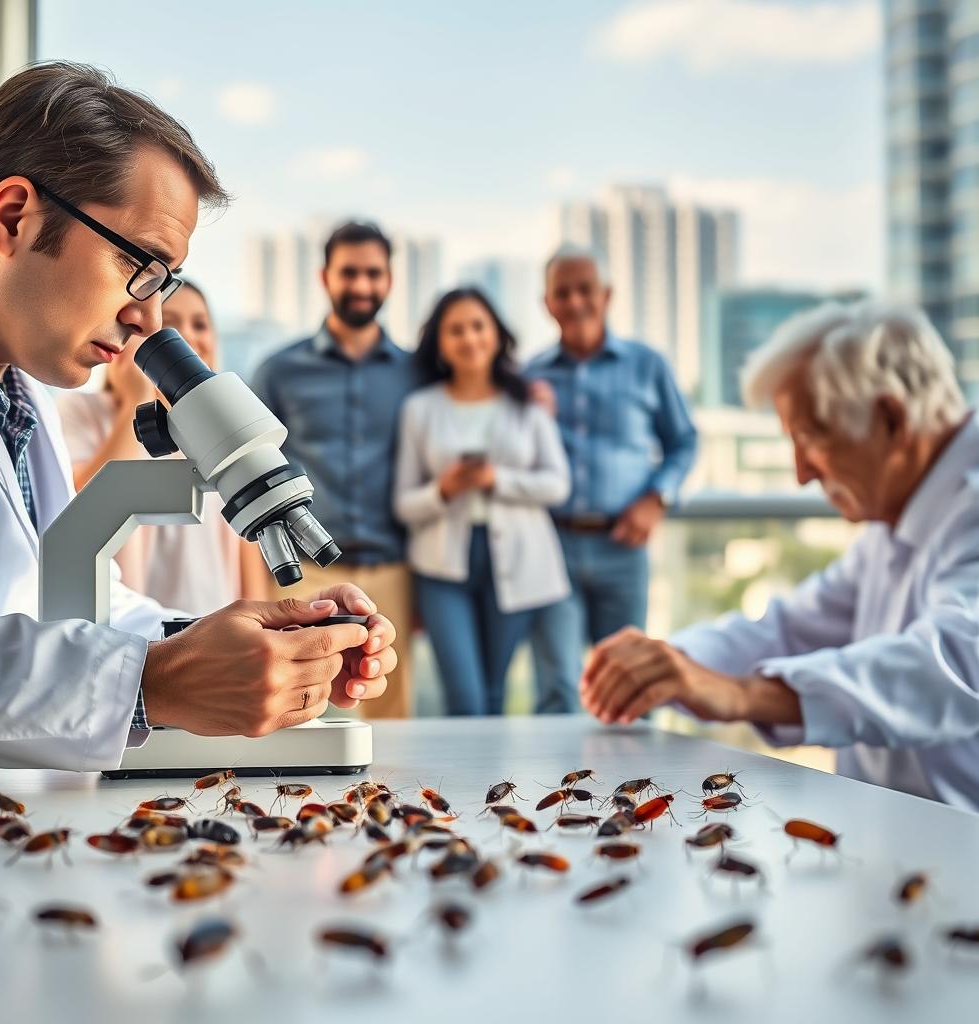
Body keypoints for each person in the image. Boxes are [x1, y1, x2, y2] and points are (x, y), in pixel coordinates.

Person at [0, 62, 396, 771]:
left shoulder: (16, 396)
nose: (150, 318)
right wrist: (153, 683)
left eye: (164, 283)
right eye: (140, 265)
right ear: (14, 216)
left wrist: (223, 646)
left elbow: (60, 597)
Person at [580, 300, 979, 814]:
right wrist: (668, 664)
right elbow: (788, 629)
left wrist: (742, 693)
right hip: (895, 837)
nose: (801, 473)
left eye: (810, 437)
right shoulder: (897, 515)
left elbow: (957, 667)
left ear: (891, 419)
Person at [251, 222, 420, 719]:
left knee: (390, 724)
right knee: (299, 716)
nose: (362, 286)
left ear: (389, 280)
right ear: (325, 277)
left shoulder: (416, 373)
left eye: (373, 273)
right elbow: (252, 470)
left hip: (394, 573)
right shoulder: (279, 371)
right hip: (303, 577)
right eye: (350, 273)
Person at [525, 246, 698, 714]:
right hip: (552, 547)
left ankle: (635, 788)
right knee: (558, 685)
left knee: (629, 683)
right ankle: (556, 787)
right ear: (547, 303)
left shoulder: (647, 365)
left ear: (607, 295)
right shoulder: (529, 377)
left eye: (586, 290)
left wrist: (657, 497)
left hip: (624, 546)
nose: (576, 301)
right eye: (563, 292)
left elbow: (684, 440)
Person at [394, 287, 570, 715]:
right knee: (465, 697)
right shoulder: (420, 408)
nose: (469, 338)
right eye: (456, 330)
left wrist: (496, 479)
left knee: (495, 692)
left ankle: (494, 784)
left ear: (496, 334)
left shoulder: (527, 403)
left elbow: (557, 485)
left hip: (515, 561)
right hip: (441, 567)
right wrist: (444, 491)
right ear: (440, 342)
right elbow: (403, 503)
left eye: (478, 326)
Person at [58, 280, 268, 615]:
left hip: (216, 626)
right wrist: (136, 401)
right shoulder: (80, 413)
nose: (186, 337)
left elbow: (248, 554)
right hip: (129, 631)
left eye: (200, 324)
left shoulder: (223, 429)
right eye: (170, 325)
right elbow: (83, 510)